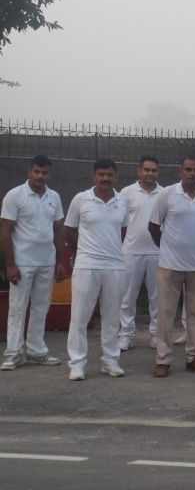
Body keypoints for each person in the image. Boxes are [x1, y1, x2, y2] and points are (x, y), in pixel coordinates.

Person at [148, 156, 195, 377]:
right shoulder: (167, 194)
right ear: (181, 172)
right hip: (170, 266)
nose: (193, 173)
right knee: (166, 314)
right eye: (188, 169)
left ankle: (194, 357)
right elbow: (153, 227)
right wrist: (168, 248)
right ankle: (163, 359)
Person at [64, 159, 128, 380]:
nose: (105, 178)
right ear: (94, 176)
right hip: (86, 265)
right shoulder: (80, 199)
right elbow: (70, 230)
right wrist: (84, 252)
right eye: (101, 174)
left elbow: (123, 231)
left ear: (116, 177)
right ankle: (77, 364)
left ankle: (110, 361)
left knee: (111, 317)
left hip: (114, 266)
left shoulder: (123, 201)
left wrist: (111, 251)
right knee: (79, 317)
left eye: (109, 175)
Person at [1, 155, 65, 371]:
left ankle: (36, 352)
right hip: (22, 262)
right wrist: (10, 265)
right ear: (29, 171)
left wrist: (60, 261)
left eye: (44, 172)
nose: (40, 176)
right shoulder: (15, 195)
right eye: (36, 171)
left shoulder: (54, 197)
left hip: (47, 262)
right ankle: (13, 354)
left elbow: (58, 229)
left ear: (50, 174)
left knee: (40, 307)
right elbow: (6, 231)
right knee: (17, 308)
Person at [118, 155, 162, 351]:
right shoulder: (126, 193)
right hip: (131, 251)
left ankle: (156, 335)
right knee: (127, 297)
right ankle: (126, 335)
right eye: (147, 170)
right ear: (139, 171)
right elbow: (119, 222)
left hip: (158, 252)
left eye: (154, 170)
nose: (150, 173)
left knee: (157, 297)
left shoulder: (165, 194)